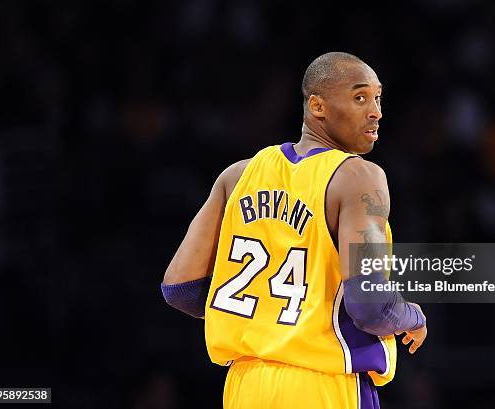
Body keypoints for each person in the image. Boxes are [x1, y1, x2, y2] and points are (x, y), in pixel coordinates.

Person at [161, 52, 427, 408]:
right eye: (360, 97)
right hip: (322, 386)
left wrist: (266, 316)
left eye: (378, 98)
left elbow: (179, 288)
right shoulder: (359, 177)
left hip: (244, 386)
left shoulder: (237, 176)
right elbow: (370, 304)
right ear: (317, 105)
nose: (376, 111)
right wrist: (412, 315)